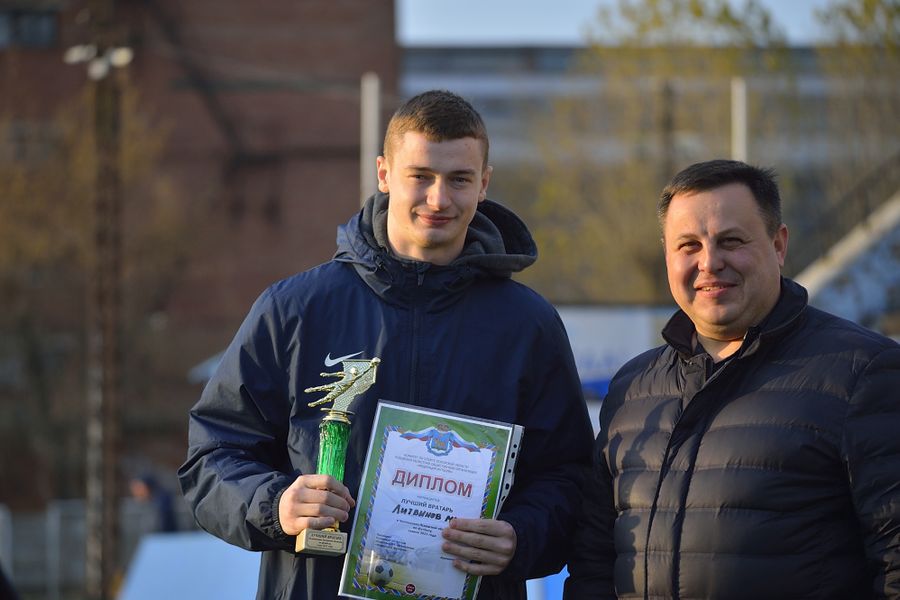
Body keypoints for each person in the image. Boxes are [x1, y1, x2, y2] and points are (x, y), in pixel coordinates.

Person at [178, 90, 594, 599]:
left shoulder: (528, 324)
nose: (438, 199)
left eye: (459, 179)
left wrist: (521, 536)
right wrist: (276, 504)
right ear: (384, 174)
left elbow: (569, 476)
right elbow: (213, 454)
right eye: (420, 176)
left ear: (483, 184)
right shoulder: (295, 309)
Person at [564, 159, 900, 599]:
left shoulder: (863, 373)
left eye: (731, 241)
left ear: (778, 245)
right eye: (688, 245)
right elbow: (593, 563)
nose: (710, 262)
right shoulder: (633, 388)